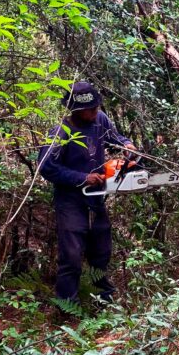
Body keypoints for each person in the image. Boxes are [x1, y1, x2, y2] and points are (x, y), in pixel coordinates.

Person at [38, 81, 136, 307]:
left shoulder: (99, 120)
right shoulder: (61, 133)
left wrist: (127, 144)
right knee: (71, 255)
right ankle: (67, 306)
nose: (95, 112)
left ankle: (102, 298)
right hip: (70, 200)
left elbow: (114, 136)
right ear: (76, 110)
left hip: (96, 197)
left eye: (96, 107)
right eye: (90, 109)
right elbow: (46, 167)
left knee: (101, 248)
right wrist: (82, 177)